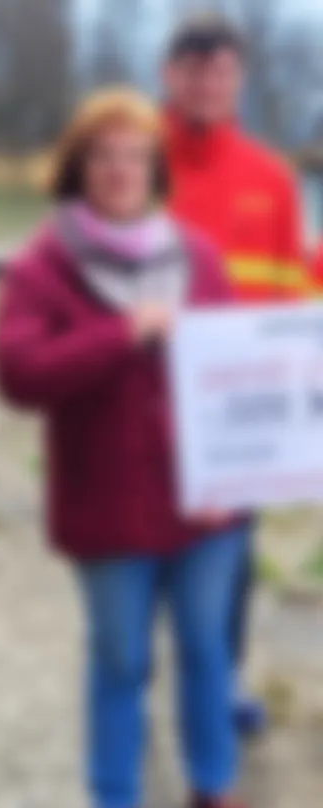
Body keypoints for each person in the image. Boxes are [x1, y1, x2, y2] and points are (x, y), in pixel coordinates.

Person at [0, 88, 264, 808]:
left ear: (155, 167)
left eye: (135, 156)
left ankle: (214, 787)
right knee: (120, 660)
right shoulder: (48, 262)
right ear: (80, 168)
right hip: (109, 508)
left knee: (209, 652)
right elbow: (19, 373)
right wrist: (121, 333)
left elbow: (238, 375)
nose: (120, 170)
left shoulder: (198, 257)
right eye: (103, 156)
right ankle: (116, 805)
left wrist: (239, 470)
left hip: (209, 506)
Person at [160, 13, 311, 739]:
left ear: (235, 79)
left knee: (232, 555)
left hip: (240, 404)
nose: (207, 85)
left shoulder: (270, 179)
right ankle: (138, 681)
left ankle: (219, 680)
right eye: (195, 72)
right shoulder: (134, 163)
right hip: (150, 399)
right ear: (172, 77)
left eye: (221, 72)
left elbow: (292, 287)